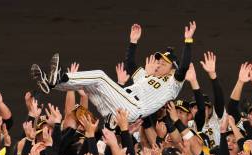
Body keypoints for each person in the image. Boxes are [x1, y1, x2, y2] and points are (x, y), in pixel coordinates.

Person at [30, 22, 196, 122]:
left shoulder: (173, 84)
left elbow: (183, 68)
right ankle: (52, 83)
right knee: (89, 86)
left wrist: (188, 41)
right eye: (158, 60)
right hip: (114, 110)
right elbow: (130, 64)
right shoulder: (146, 77)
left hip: (132, 109)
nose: (159, 63)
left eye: (163, 62)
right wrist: (133, 42)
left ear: (172, 67)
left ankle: (59, 77)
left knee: (100, 76)